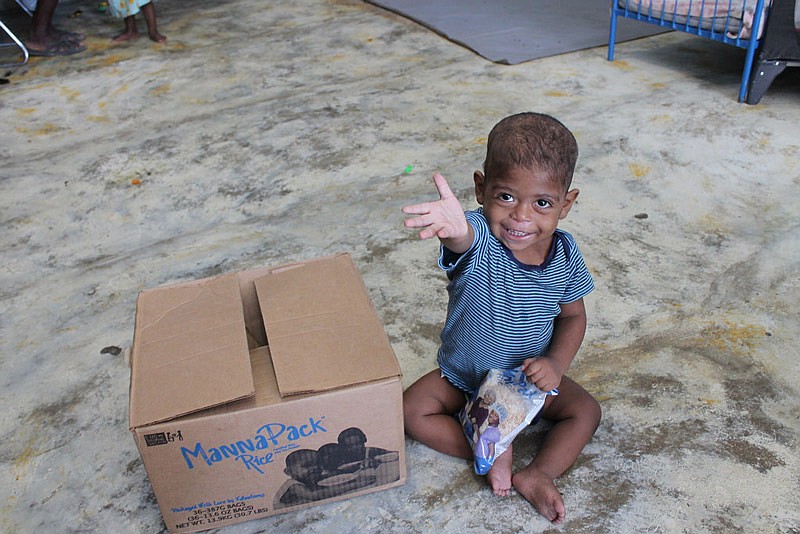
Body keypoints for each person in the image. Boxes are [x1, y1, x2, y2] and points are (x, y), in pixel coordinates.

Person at [402, 112, 602, 525]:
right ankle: (490, 444)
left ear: (566, 204)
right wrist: (452, 231)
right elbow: (464, 239)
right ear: (481, 189)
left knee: (586, 412)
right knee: (409, 411)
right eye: (506, 196)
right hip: (464, 377)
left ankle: (538, 472)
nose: (521, 217)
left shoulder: (564, 256)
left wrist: (556, 365)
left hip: (525, 382)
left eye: (542, 203)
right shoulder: (479, 237)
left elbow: (573, 317)